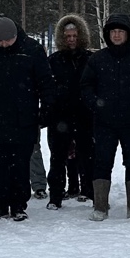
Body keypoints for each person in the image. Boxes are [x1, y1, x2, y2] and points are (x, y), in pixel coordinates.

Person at [0, 15, 54, 220]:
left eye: (8, 40)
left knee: (20, 163)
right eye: (0, 41)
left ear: (16, 35)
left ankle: (19, 205)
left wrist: (47, 108)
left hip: (24, 116)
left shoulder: (32, 49)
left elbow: (46, 82)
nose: (4, 44)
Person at [81, 12, 130, 218]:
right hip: (104, 121)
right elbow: (86, 86)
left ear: (128, 34)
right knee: (102, 161)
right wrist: (96, 105)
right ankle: (100, 206)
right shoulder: (97, 59)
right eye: (113, 31)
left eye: (120, 31)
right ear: (107, 34)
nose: (116, 35)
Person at [46, 13, 93, 208]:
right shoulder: (53, 60)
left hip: (85, 115)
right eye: (67, 37)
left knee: (88, 156)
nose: (71, 40)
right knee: (57, 158)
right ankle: (55, 196)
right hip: (60, 116)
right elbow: (47, 88)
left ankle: (90, 192)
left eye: (74, 36)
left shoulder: (91, 59)